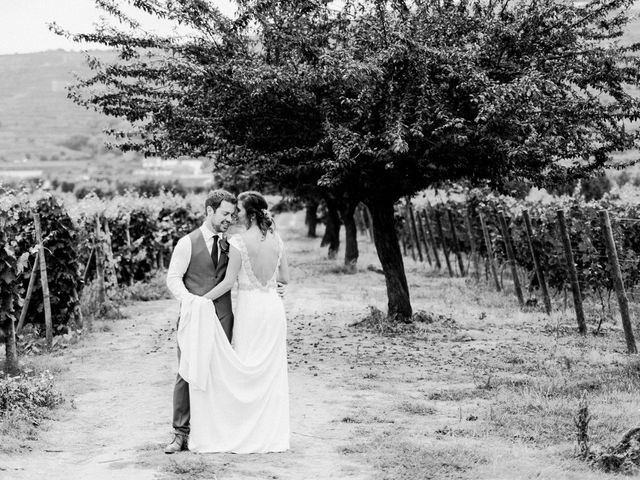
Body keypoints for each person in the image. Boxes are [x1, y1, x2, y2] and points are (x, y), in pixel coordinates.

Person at [176, 191, 290, 453]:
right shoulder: (278, 240)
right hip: (273, 308)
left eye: (238, 210)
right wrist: (276, 288)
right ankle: (270, 434)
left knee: (246, 370)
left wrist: (200, 301)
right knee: (271, 373)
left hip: (250, 310)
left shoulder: (238, 242)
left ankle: (245, 431)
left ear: (249, 213)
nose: (234, 214)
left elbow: (228, 282)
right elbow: (285, 278)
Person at [164, 189, 237, 454]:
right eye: (225, 213)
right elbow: (173, 278)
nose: (230, 218)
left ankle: (215, 431)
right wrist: (190, 302)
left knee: (221, 373)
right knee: (187, 371)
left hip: (224, 317)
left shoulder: (232, 244)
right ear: (210, 211)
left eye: (233, 213)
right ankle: (180, 433)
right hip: (194, 318)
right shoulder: (187, 242)